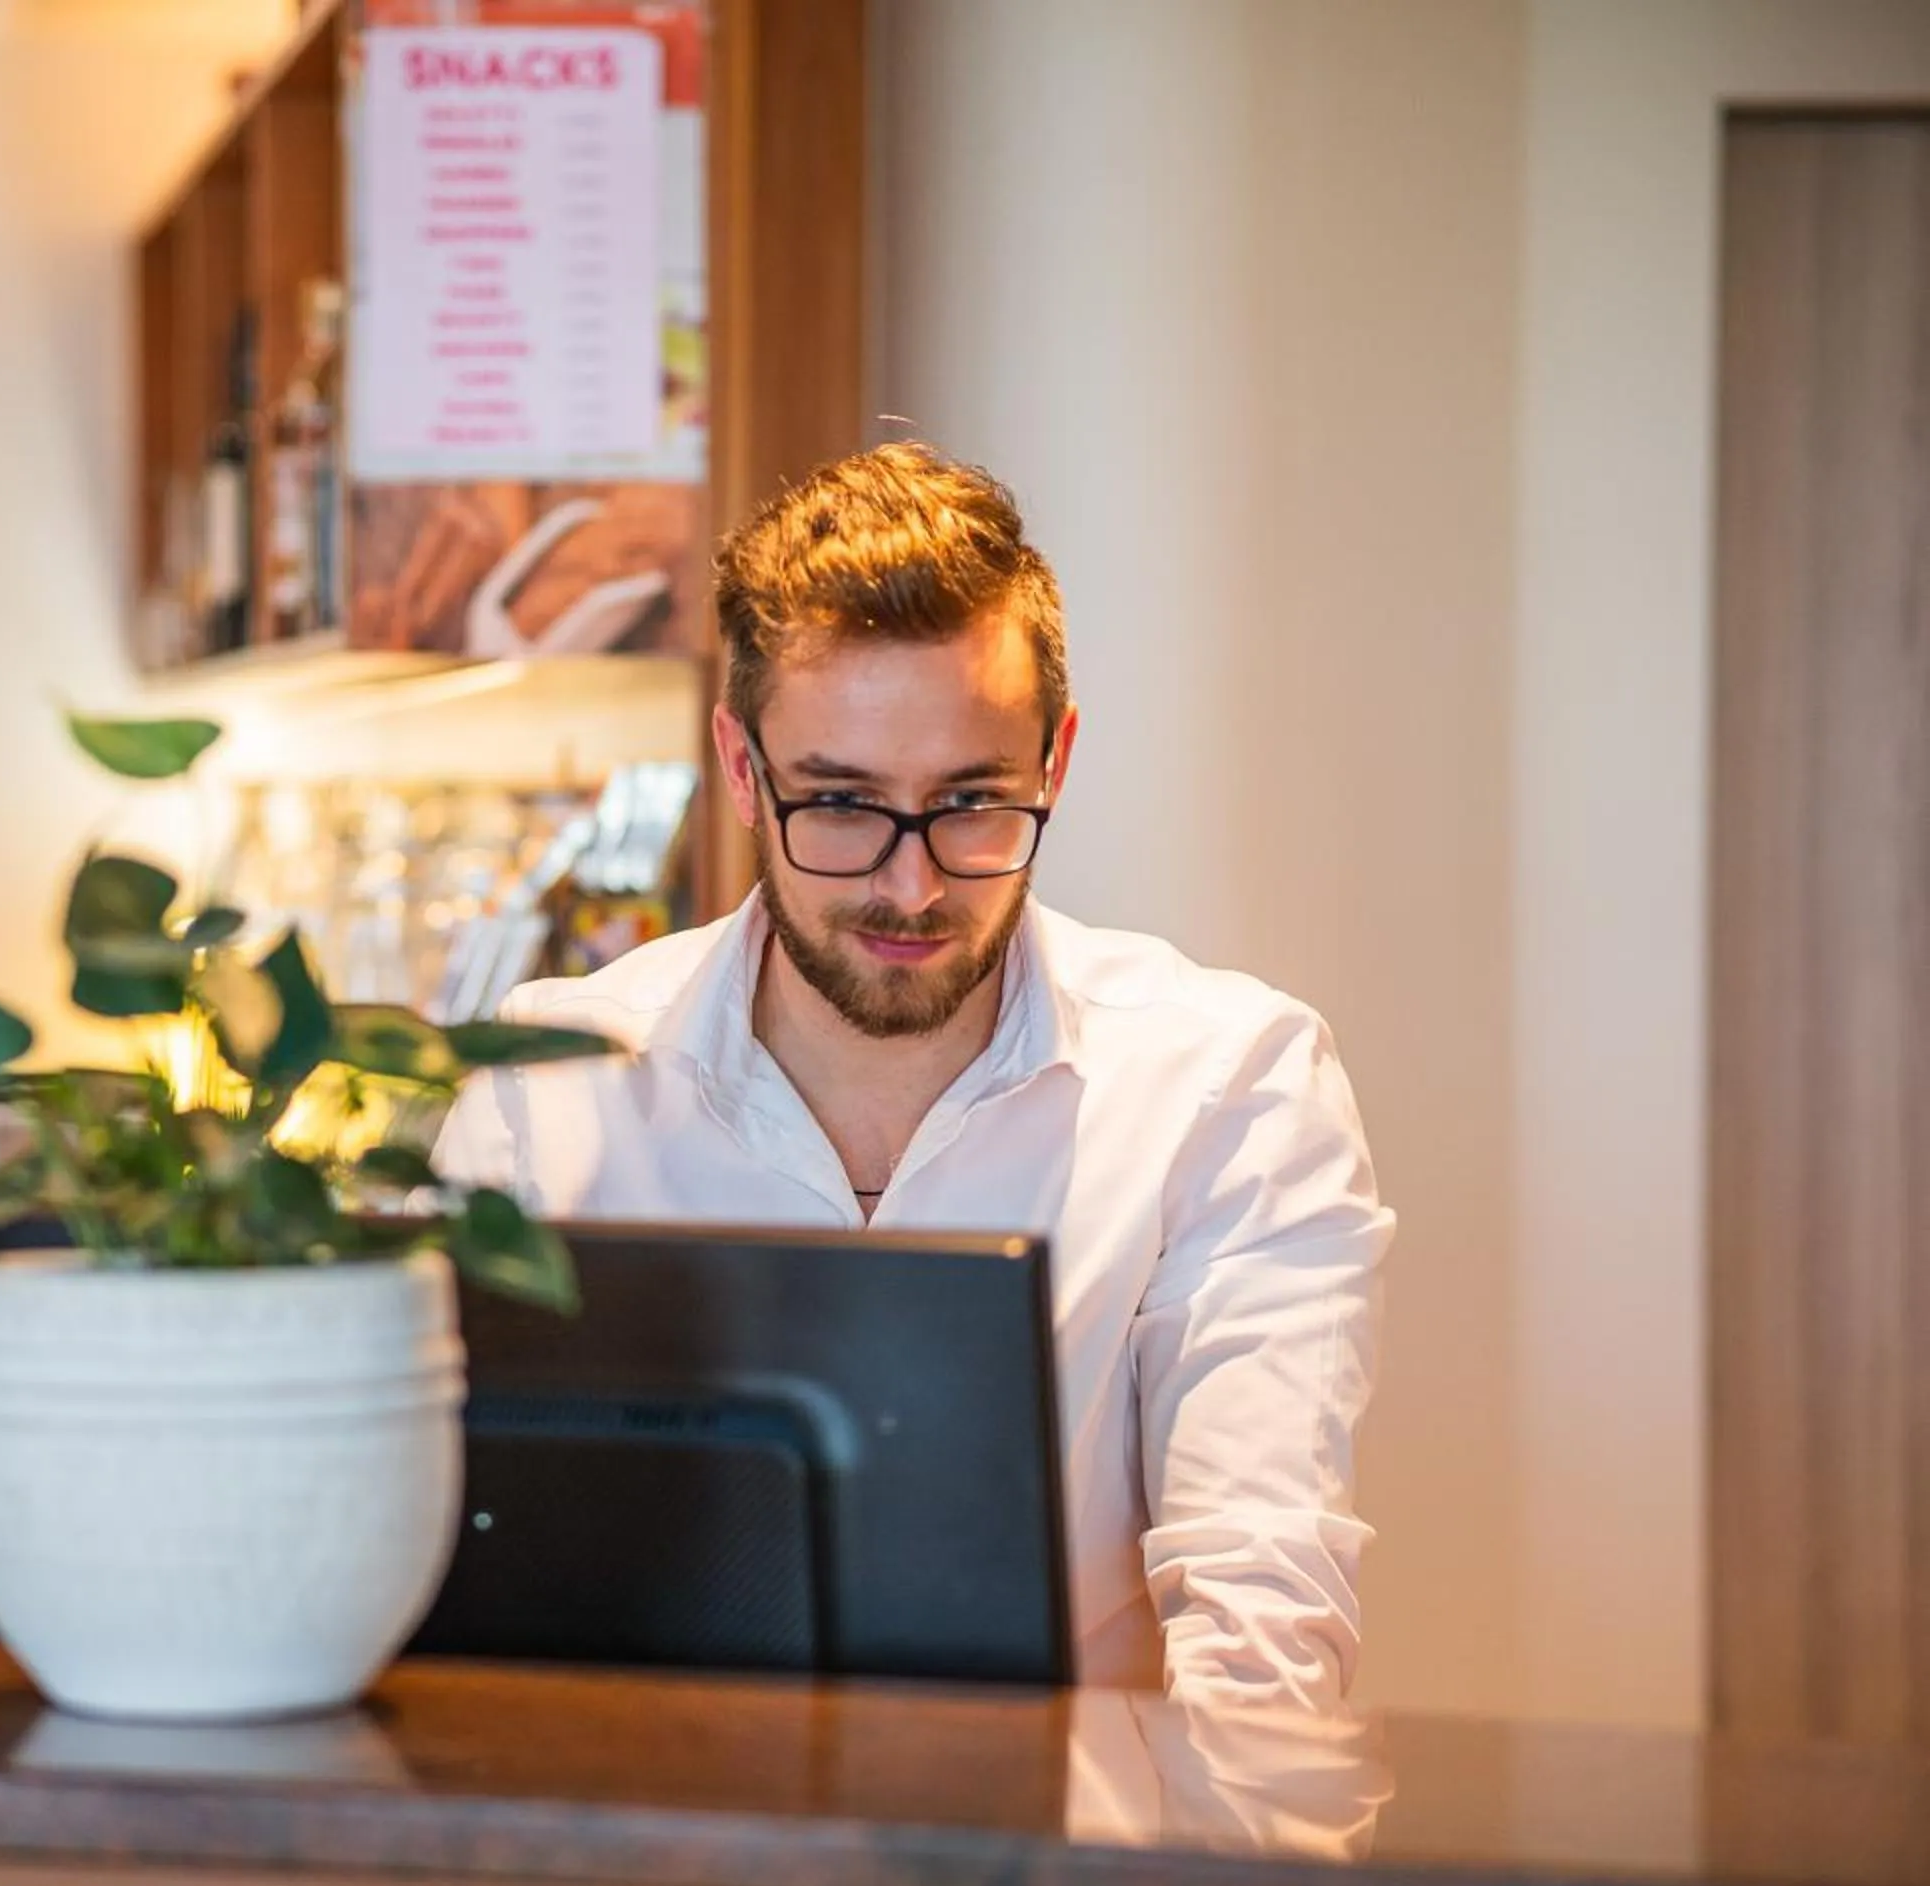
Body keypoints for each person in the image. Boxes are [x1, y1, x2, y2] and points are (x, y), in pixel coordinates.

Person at [434, 442, 1391, 1707]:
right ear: (741, 769)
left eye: (972, 803)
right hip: (649, 1865)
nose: (911, 884)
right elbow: (425, 1553)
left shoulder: (1231, 1089)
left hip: (1057, 1870)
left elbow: (1262, 1616)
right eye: (840, 803)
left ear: (1054, 762)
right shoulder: (545, 1092)